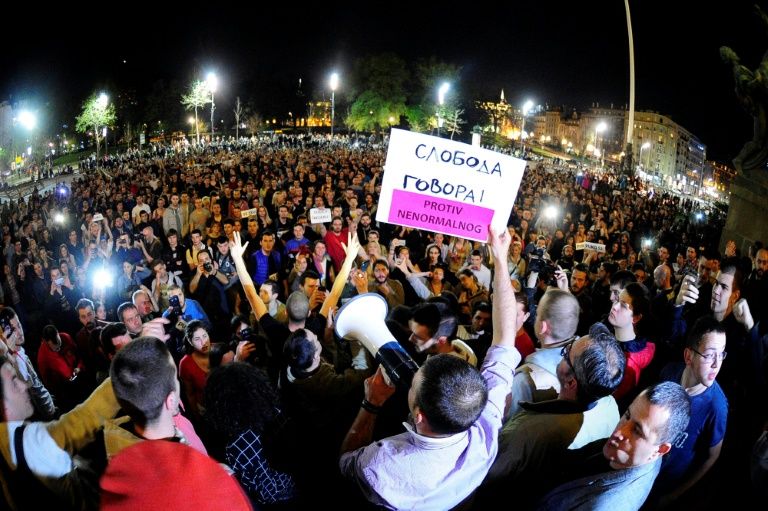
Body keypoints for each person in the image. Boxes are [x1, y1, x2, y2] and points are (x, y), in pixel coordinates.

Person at [338, 227, 521, 510]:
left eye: (413, 384)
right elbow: (506, 338)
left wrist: (371, 404)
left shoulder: (382, 464)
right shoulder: (485, 430)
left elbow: (346, 462)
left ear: (419, 416)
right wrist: (499, 257)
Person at [483, 323, 625, 506]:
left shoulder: (525, 433)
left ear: (571, 382)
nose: (563, 354)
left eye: (566, 353)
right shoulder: (611, 406)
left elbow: (487, 478)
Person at [537, 381, 691, 511]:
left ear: (660, 450)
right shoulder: (647, 455)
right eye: (627, 416)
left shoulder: (604, 505)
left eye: (637, 430)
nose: (618, 431)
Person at [0, 352, 119, 510]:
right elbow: (86, 418)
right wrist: (127, 371)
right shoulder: (30, 441)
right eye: (14, 382)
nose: (24, 385)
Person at [652, 317, 728, 506]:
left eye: (722, 354)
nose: (716, 364)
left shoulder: (716, 406)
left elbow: (712, 457)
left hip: (667, 485)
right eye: (710, 355)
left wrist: (675, 495)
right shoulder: (668, 374)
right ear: (688, 356)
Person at [205, 363, 297, 507]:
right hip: (295, 480)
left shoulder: (238, 446)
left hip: (279, 499)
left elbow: (268, 492)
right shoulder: (275, 409)